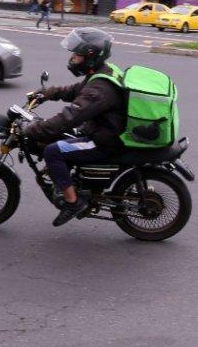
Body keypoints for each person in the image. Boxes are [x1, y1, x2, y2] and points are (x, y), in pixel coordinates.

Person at [23, 29, 127, 227]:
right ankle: (73, 181)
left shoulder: (100, 89)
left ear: (90, 57)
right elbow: (76, 91)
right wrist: (47, 93)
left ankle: (72, 202)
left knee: (53, 150)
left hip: (104, 141)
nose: (72, 58)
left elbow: (70, 116)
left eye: (77, 55)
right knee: (63, 138)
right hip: (104, 130)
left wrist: (37, 128)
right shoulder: (101, 73)